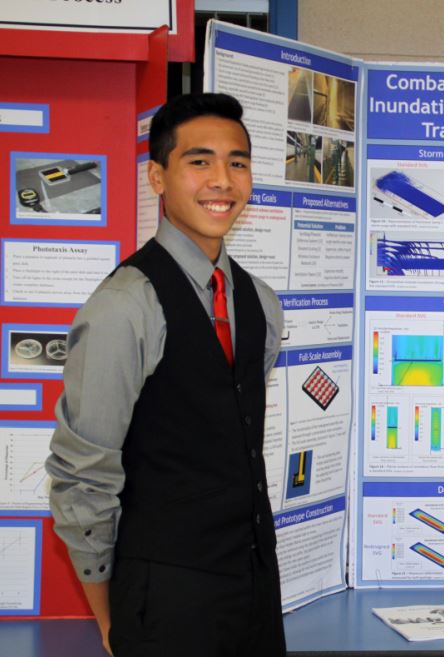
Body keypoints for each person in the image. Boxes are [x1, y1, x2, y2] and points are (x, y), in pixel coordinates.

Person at [47, 93, 286, 657]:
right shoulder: (124, 306)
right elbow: (83, 475)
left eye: (237, 162)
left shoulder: (261, 302)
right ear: (157, 176)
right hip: (164, 599)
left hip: (254, 587)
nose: (221, 180)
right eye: (199, 161)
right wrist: (111, 618)